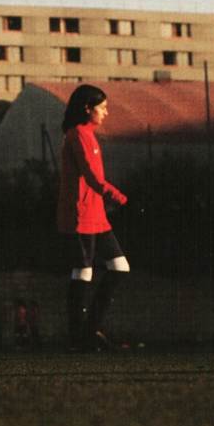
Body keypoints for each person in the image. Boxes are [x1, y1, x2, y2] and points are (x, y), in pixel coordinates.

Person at [58, 84, 130, 350]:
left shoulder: (88, 134)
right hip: (81, 216)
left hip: (97, 216)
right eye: (102, 108)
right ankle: (79, 337)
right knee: (83, 270)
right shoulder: (77, 135)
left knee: (120, 267)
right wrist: (116, 195)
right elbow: (91, 176)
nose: (106, 113)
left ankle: (89, 330)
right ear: (87, 109)